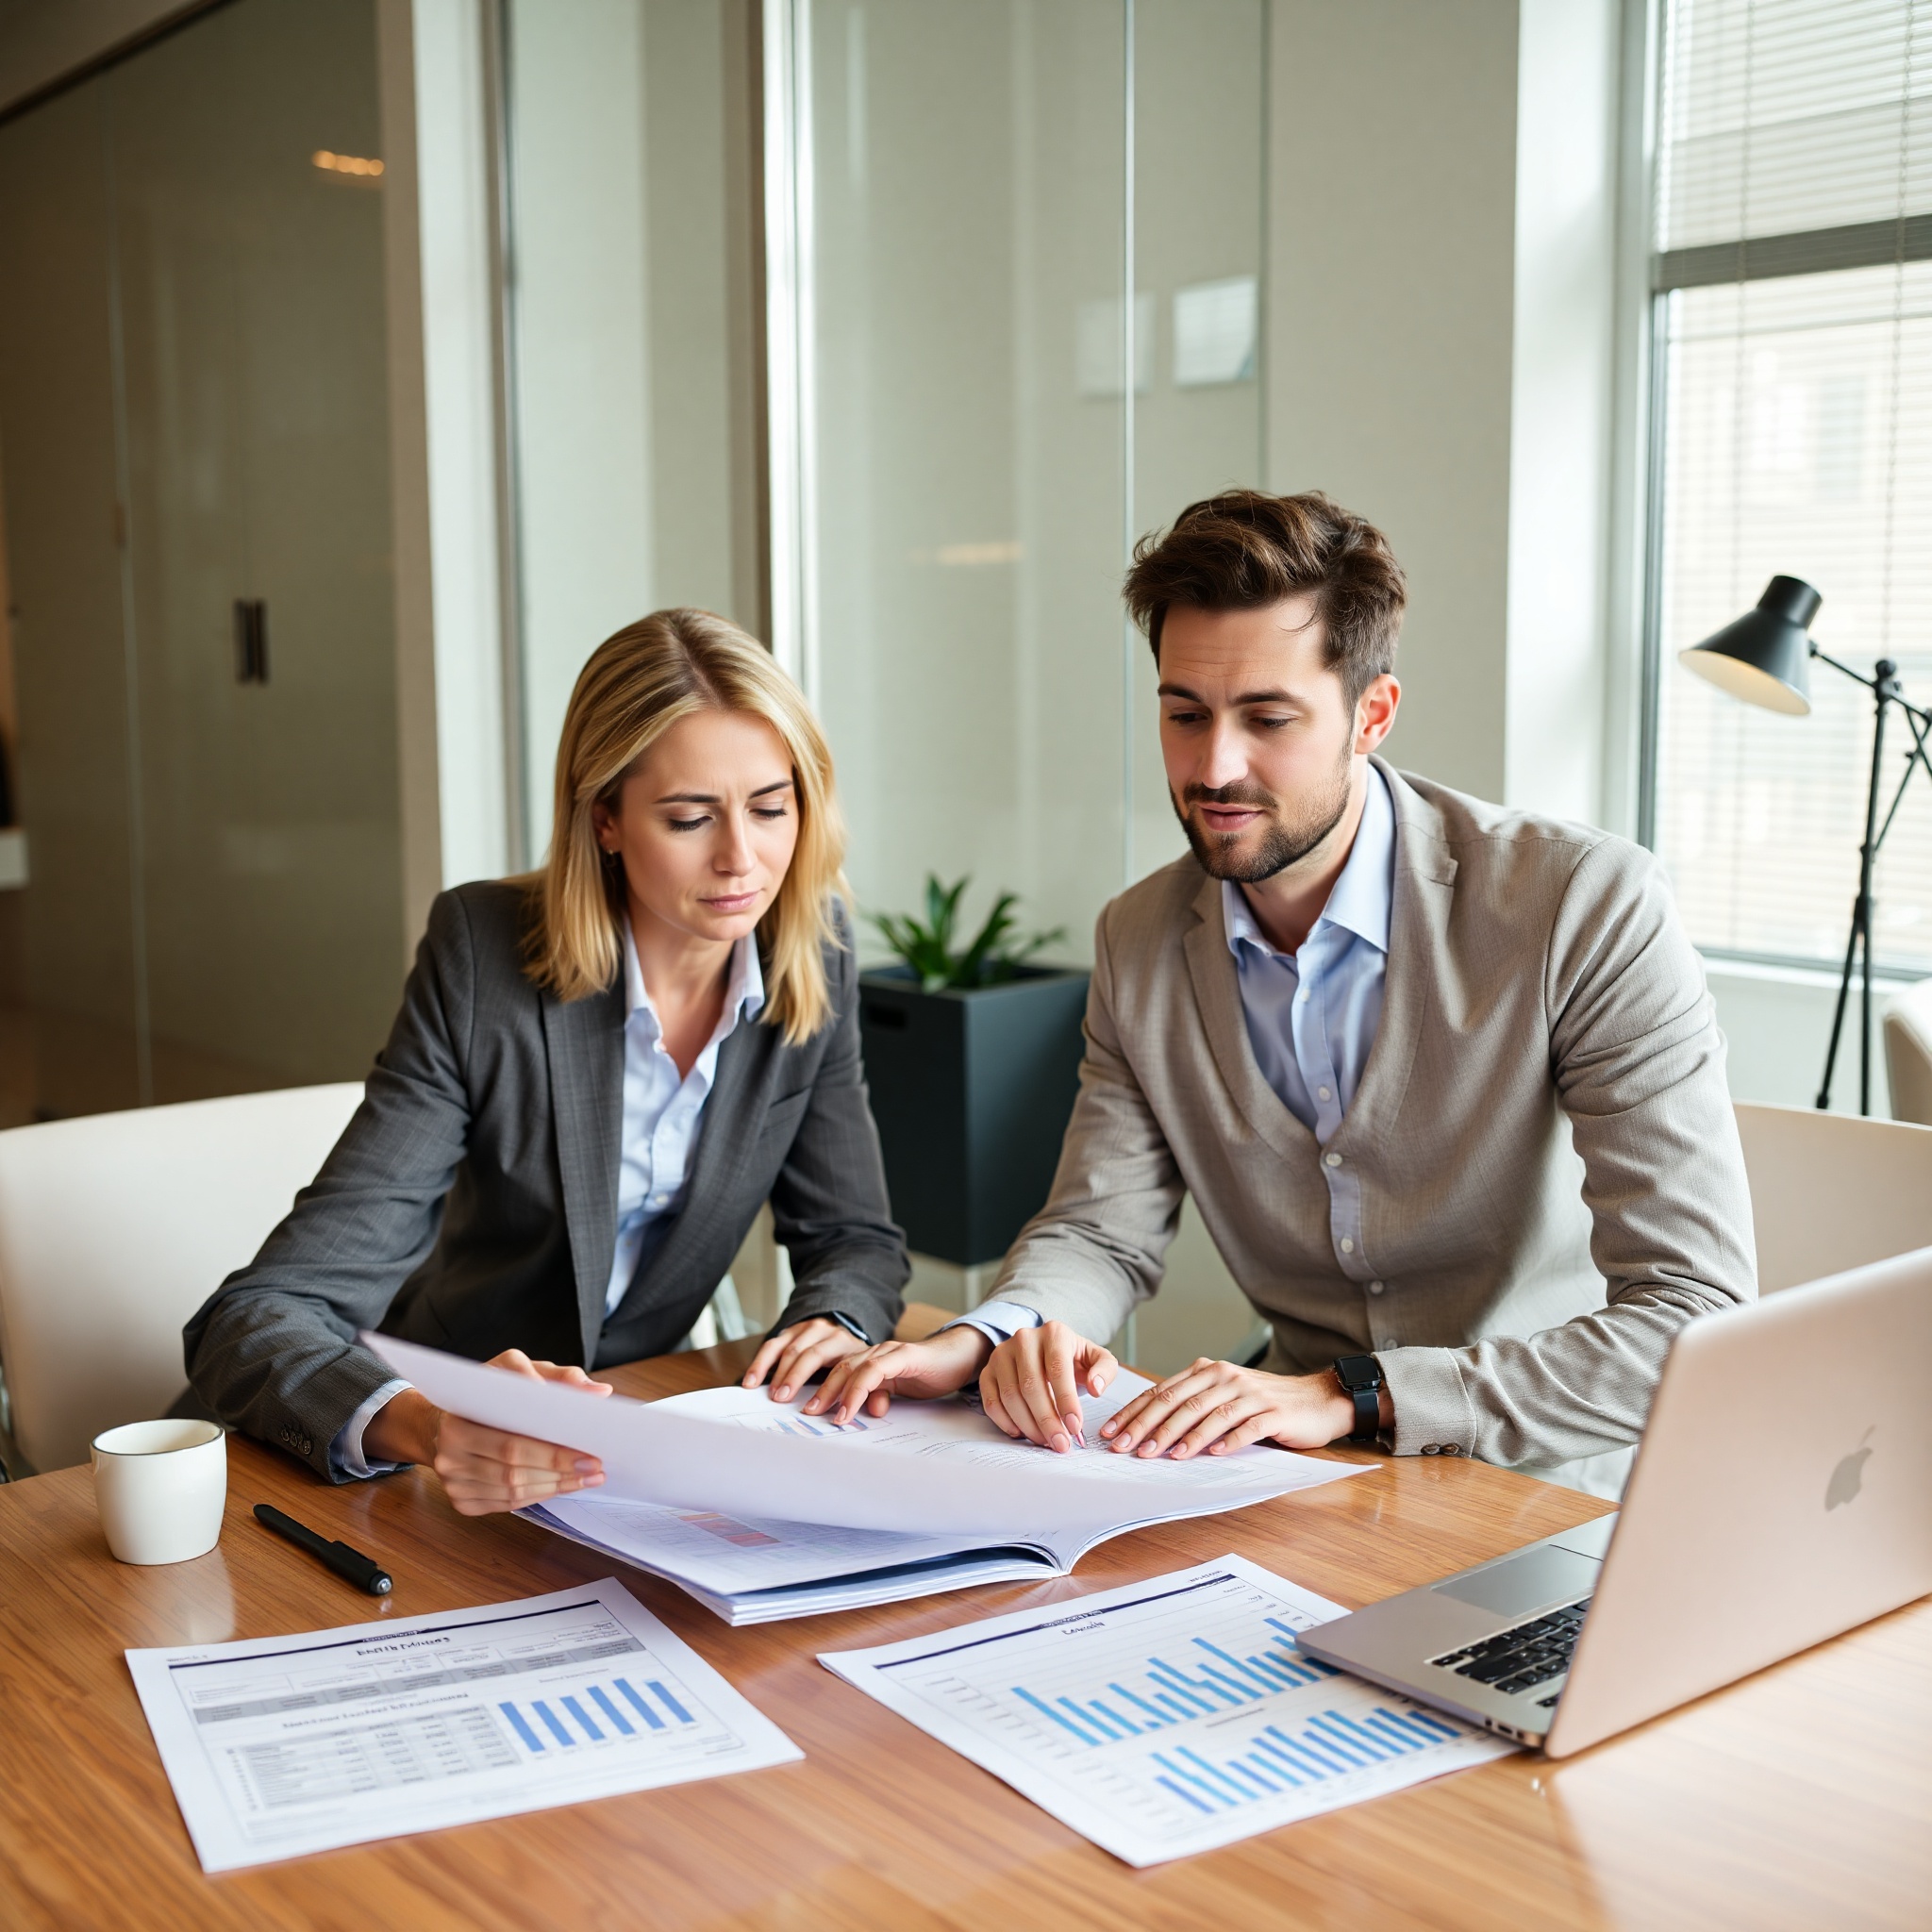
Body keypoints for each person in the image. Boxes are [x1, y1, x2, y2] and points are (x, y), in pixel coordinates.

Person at [804, 490, 1755, 1495]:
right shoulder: (1137, 940)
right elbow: (1097, 1227)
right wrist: (995, 1331)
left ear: (1370, 714)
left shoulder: (1580, 903)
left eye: (1267, 717)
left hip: (1553, 1489)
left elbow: (1690, 1311)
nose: (1213, 766)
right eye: (1183, 713)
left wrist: (1354, 1393)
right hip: (1294, 1480)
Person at [181, 608, 907, 1513]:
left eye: (771, 807)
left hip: (621, 1454)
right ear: (604, 818)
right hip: (414, 1464)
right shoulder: (483, 957)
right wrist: (432, 1427)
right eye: (689, 818)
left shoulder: (814, 949)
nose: (742, 859)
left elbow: (855, 1240)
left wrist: (829, 1325)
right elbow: (252, 1322)